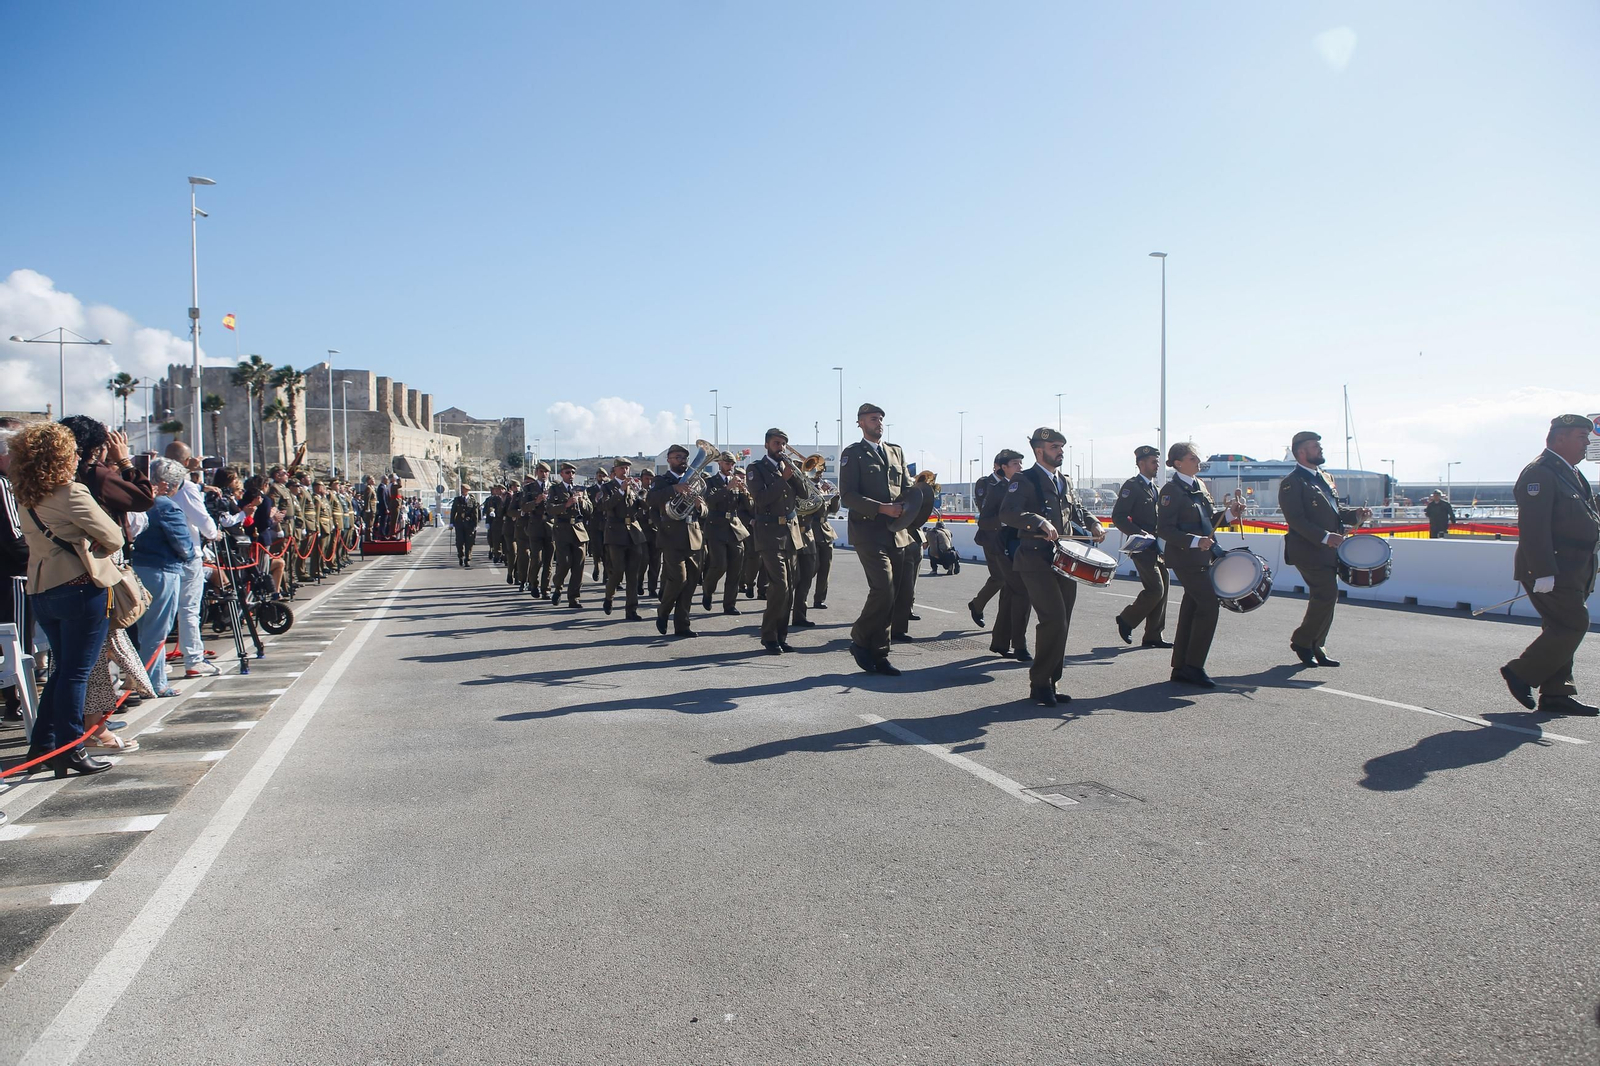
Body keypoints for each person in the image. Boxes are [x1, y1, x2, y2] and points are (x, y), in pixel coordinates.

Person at [13, 422, 122, 777]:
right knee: (76, 673)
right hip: (79, 587)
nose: (77, 457)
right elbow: (114, 536)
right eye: (72, 452)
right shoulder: (71, 492)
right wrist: (91, 542)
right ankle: (71, 748)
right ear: (60, 457)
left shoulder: (26, 495)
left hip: (42, 589)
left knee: (62, 671)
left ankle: (44, 745)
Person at [1500, 414, 1600, 716]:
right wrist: (1542, 571)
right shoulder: (1540, 473)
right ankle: (1520, 672)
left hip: (1575, 567)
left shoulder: (1570, 472)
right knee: (1573, 623)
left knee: (1560, 627)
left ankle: (1557, 692)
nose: (1587, 444)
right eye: (1581, 437)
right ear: (1560, 438)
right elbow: (1534, 527)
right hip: (1554, 567)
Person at [999, 427, 1104, 707]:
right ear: (1039, 451)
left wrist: (1093, 523)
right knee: (1054, 619)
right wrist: (1038, 521)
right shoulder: (1025, 479)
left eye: (1061, 447)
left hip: (1065, 560)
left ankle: (1052, 682)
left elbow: (1077, 510)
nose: (1060, 452)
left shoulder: (1064, 481)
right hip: (1035, 559)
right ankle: (1040, 682)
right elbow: (1008, 512)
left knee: (1063, 621)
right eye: (1054, 447)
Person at [1156, 441, 1245, 689]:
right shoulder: (1171, 491)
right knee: (1208, 606)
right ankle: (1194, 666)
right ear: (1178, 463)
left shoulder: (1199, 486)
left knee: (1192, 608)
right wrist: (1195, 541)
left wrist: (1231, 514)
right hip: (1185, 557)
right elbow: (1164, 529)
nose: (1198, 462)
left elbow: (1208, 521)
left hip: (1203, 557)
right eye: (1193, 458)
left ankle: (1181, 667)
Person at [1279, 431, 1372, 668]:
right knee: (1326, 593)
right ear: (1301, 452)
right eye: (1315, 446)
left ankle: (1317, 645)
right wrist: (1324, 536)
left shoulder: (1324, 477)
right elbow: (1296, 519)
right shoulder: (1292, 482)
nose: (1320, 450)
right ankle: (1302, 641)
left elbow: (1335, 510)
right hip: (1307, 549)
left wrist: (1356, 514)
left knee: (1329, 596)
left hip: (1328, 550)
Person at [839, 403, 912, 676]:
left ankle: (880, 653)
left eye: (880, 418)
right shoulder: (852, 454)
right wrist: (882, 508)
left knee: (893, 595)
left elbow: (906, 488)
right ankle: (860, 639)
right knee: (883, 587)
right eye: (872, 418)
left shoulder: (896, 451)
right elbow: (848, 496)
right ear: (860, 423)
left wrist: (913, 506)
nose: (878, 422)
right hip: (867, 531)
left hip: (896, 532)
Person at [130, 459, 197, 698]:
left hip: (138, 568)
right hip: (162, 571)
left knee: (142, 630)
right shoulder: (166, 506)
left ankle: (139, 679)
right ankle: (154, 682)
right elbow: (183, 544)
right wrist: (191, 556)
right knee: (157, 630)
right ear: (169, 484)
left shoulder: (138, 503)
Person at [746, 429, 810, 654]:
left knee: (790, 587)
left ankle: (781, 637)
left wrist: (796, 475)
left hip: (790, 534)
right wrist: (783, 480)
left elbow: (804, 494)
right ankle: (769, 636)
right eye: (776, 443)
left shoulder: (788, 467)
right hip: (769, 533)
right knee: (780, 586)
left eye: (783, 444)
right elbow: (761, 499)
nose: (780, 447)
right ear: (766, 445)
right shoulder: (756, 469)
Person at [162, 441, 221, 678]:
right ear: (186, 462)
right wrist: (214, 534)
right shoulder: (185, 487)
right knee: (188, 610)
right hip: (187, 554)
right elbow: (203, 521)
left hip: (164, 555)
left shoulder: (157, 484)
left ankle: (157, 663)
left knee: (163, 613)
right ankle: (194, 660)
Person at [1111, 445, 1171, 649]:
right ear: (1141, 463)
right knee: (1155, 589)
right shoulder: (1132, 486)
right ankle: (1126, 619)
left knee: (1164, 586)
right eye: (1153, 462)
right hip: (1141, 547)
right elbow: (1118, 517)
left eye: (1157, 462)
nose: (1157, 465)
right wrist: (1138, 533)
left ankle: (1154, 634)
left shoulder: (1155, 489)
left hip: (1157, 548)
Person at [646, 444, 707, 637]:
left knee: (690, 584)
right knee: (679, 579)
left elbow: (705, 511)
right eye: (678, 457)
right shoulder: (662, 481)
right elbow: (650, 500)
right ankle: (663, 611)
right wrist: (674, 488)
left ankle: (682, 625)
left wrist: (699, 506)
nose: (682, 461)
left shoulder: (696, 481)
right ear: (669, 460)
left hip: (693, 536)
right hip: (671, 537)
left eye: (684, 458)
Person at [0, 420, 31, 722]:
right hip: (12, 577)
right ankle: (18, 700)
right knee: (17, 643)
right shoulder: (3, 484)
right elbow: (15, 536)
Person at [701, 453, 751, 615]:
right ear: (720, 463)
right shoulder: (710, 482)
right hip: (716, 527)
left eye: (732, 464)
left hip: (734, 528)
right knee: (719, 565)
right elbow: (709, 501)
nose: (730, 467)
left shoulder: (736, 481)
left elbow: (750, 507)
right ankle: (708, 589)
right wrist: (727, 488)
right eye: (727, 463)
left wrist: (745, 492)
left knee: (736, 569)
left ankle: (729, 605)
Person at [597, 459, 648, 619]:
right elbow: (604, 506)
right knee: (617, 571)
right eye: (622, 468)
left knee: (633, 574)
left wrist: (642, 494)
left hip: (634, 533)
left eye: (627, 468)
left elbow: (645, 507)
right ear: (615, 470)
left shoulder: (633, 487)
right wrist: (620, 491)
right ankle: (609, 596)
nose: (625, 471)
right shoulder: (607, 487)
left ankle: (631, 610)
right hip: (615, 533)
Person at [967, 458, 1009, 626]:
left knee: (1009, 582)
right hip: (991, 536)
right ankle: (977, 604)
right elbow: (983, 506)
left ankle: (1003, 621)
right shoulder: (985, 483)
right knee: (999, 577)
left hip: (1007, 537)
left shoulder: (1011, 483)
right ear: (997, 466)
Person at [548, 463, 591, 606]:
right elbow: (549, 509)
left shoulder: (580, 489)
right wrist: (565, 505)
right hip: (562, 529)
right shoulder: (555, 489)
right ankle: (558, 587)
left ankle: (574, 597)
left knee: (578, 566)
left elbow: (590, 509)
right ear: (561, 474)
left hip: (578, 530)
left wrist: (582, 501)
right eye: (567, 472)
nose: (570, 475)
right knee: (564, 563)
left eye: (572, 472)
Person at [636, 468, 662, 600]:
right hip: (642, 530)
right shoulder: (637, 492)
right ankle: (639, 582)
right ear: (641, 479)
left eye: (651, 479)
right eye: (646, 478)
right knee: (643, 559)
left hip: (655, 530)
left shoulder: (656, 492)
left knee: (655, 562)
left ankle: (652, 588)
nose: (649, 481)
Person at [450, 487, 480, 566]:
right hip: (459, 524)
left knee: (469, 542)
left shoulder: (472, 500)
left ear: (468, 491)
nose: (463, 491)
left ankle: (467, 558)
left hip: (469, 524)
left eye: (464, 490)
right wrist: (451, 522)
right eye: (462, 490)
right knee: (459, 542)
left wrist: (475, 524)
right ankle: (460, 556)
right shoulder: (457, 500)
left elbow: (475, 513)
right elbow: (453, 511)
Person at [483, 484, 506, 564]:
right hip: (495, 522)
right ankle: (497, 553)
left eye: (501, 489)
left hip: (505, 522)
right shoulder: (492, 499)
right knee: (495, 540)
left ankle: (504, 555)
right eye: (497, 490)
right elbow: (489, 509)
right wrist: (488, 522)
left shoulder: (508, 497)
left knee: (505, 541)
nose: (499, 491)